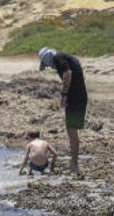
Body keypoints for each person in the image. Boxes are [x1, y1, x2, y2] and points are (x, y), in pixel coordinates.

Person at [38, 47, 87, 176]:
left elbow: (68, 74)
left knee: (71, 131)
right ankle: (73, 164)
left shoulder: (58, 58)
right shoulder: (64, 57)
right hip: (79, 97)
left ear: (48, 59)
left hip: (74, 98)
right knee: (72, 131)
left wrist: (64, 95)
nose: (49, 67)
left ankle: (74, 165)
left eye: (46, 64)